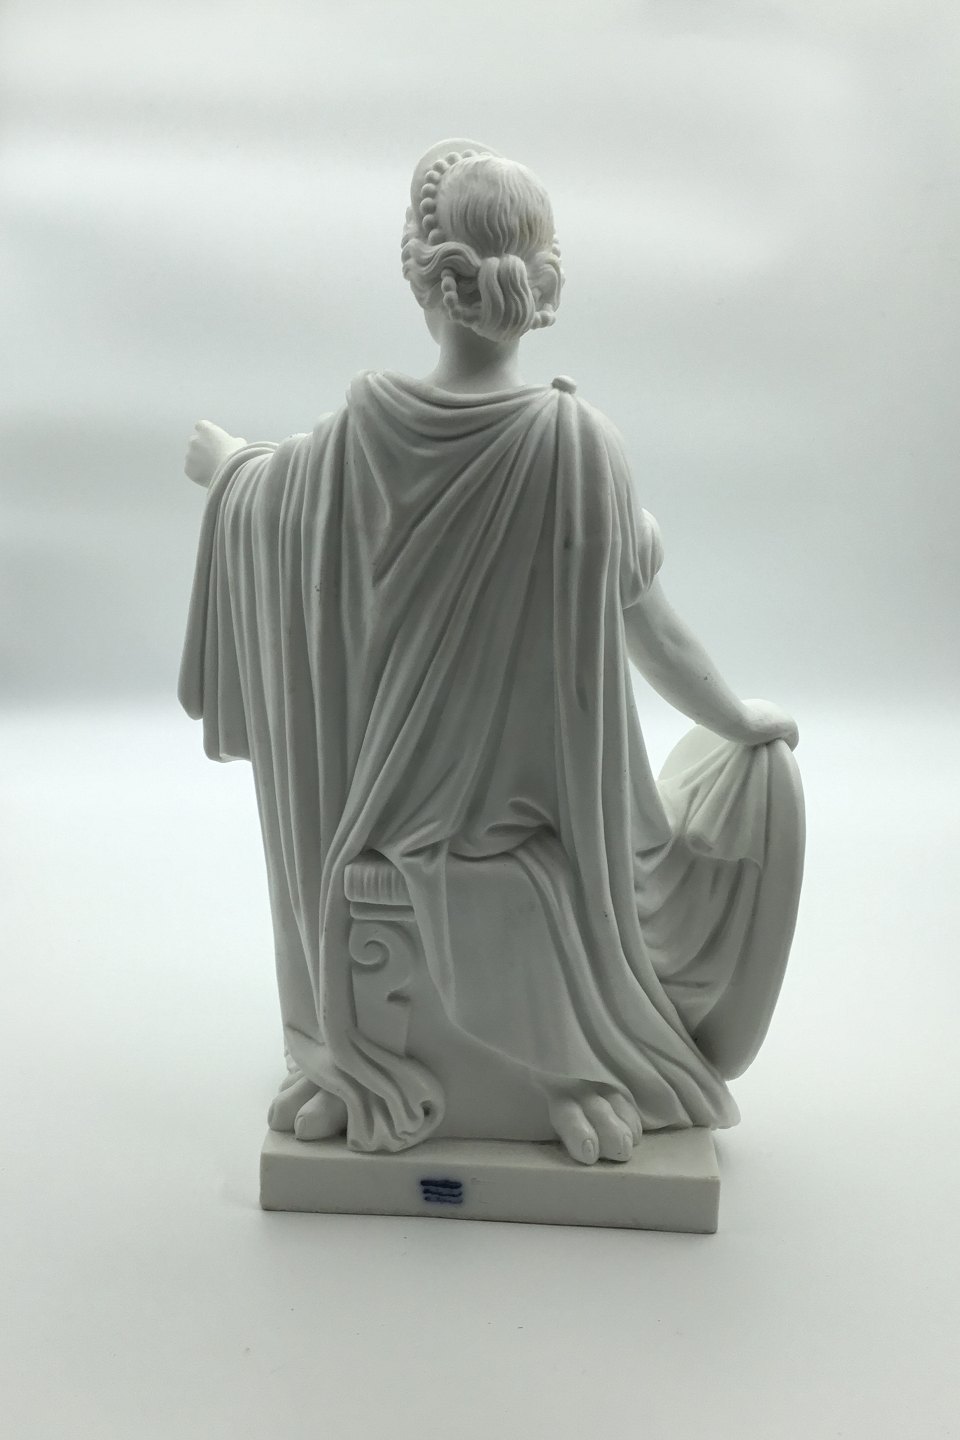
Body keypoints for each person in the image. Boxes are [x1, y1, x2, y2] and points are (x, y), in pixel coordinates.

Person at [180, 139, 801, 1165]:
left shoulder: (359, 439)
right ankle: (566, 1072)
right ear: (545, 285)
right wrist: (737, 720)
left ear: (422, 278)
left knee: (462, 860)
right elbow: (652, 626)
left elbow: (271, 501)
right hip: (531, 825)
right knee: (575, 859)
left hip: (384, 814)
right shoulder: (580, 446)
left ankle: (363, 1065)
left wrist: (227, 471)